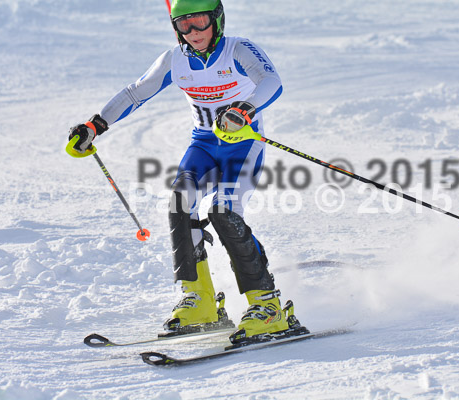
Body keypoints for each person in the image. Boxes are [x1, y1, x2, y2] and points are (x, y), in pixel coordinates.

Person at [67, 0, 304, 344]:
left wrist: (245, 109)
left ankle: (267, 306)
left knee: (223, 210)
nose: (193, 33)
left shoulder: (237, 50)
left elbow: (271, 81)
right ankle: (201, 302)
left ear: (217, 20)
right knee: (179, 203)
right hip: (204, 147)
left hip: (242, 147)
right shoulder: (175, 60)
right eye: (184, 25)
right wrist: (95, 125)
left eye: (200, 23)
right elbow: (136, 92)